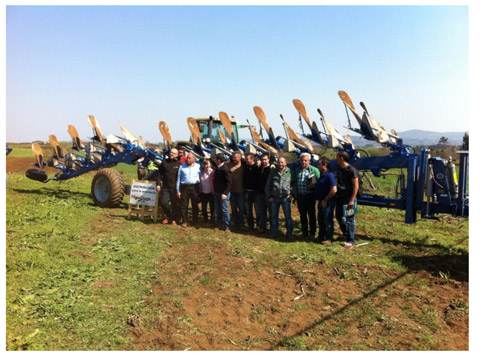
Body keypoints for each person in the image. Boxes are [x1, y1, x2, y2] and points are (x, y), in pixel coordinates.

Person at [292, 153, 320, 239]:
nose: (303, 162)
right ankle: (304, 232)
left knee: (311, 215)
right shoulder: (297, 171)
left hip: (310, 196)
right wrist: (295, 195)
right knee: (302, 215)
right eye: (302, 160)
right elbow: (295, 183)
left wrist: (313, 185)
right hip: (300, 196)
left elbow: (319, 182)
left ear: (309, 161)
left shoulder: (313, 170)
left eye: (305, 160)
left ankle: (312, 233)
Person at [335, 151, 359, 248]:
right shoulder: (340, 169)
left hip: (348, 198)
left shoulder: (351, 170)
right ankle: (345, 233)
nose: (336, 159)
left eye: (337, 157)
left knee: (350, 219)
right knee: (339, 216)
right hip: (340, 197)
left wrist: (352, 199)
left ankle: (351, 240)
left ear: (341, 158)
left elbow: (356, 186)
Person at [265, 156, 293, 239]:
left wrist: (292, 194)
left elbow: (294, 184)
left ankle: (289, 233)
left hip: (285, 198)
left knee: (288, 216)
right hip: (275, 198)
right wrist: (269, 196)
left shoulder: (290, 172)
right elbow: (268, 185)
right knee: (273, 216)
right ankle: (274, 232)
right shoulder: (273, 172)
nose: (280, 164)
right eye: (279, 162)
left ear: (285, 163)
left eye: (282, 162)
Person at [156, 148, 181, 225]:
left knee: (174, 204)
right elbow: (159, 174)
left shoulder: (179, 164)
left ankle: (173, 219)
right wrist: (158, 184)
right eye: (170, 152)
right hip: (166, 187)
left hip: (174, 188)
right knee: (163, 203)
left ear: (176, 155)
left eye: (173, 153)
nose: (171, 154)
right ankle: (169, 216)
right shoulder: (164, 162)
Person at [315, 157, 337, 245]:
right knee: (321, 220)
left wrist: (325, 200)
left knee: (328, 220)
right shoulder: (321, 175)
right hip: (321, 201)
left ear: (325, 165)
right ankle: (321, 236)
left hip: (327, 202)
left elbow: (334, 190)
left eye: (319, 164)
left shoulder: (329, 176)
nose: (318, 166)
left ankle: (329, 238)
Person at [176, 153, 201, 228]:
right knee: (184, 205)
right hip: (184, 187)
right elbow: (178, 179)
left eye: (190, 158)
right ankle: (185, 221)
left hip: (194, 187)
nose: (188, 159)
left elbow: (201, 177)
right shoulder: (182, 167)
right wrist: (178, 190)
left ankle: (195, 221)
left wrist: (200, 189)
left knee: (195, 205)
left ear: (194, 159)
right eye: (187, 158)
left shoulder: (198, 166)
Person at [212, 153, 233, 233]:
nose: (214, 160)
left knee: (224, 209)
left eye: (215, 159)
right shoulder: (218, 167)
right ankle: (219, 224)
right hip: (217, 192)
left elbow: (229, 182)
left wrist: (225, 193)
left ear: (218, 160)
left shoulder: (225, 169)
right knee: (218, 209)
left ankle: (228, 226)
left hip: (223, 193)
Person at [227, 151, 245, 230]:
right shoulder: (229, 164)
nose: (234, 159)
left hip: (241, 191)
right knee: (233, 208)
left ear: (240, 158)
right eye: (233, 157)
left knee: (241, 208)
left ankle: (241, 223)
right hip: (232, 191)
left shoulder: (244, 165)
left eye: (235, 157)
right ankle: (236, 222)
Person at [255, 154, 272, 234]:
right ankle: (262, 227)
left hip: (268, 194)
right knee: (262, 212)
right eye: (262, 159)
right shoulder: (259, 168)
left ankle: (273, 228)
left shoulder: (271, 169)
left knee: (271, 212)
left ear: (268, 160)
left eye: (265, 159)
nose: (264, 161)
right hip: (260, 193)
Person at [243, 153, 259, 231]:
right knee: (248, 210)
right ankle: (251, 226)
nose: (246, 160)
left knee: (257, 209)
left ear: (252, 159)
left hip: (255, 192)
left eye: (248, 159)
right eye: (246, 159)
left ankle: (259, 225)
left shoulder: (257, 167)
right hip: (247, 191)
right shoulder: (245, 166)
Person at [199, 159, 215, 225]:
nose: (207, 166)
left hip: (211, 192)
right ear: (203, 165)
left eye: (208, 164)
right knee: (204, 208)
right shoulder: (201, 173)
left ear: (210, 165)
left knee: (212, 207)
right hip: (203, 193)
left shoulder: (213, 172)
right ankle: (205, 219)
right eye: (205, 164)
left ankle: (212, 220)